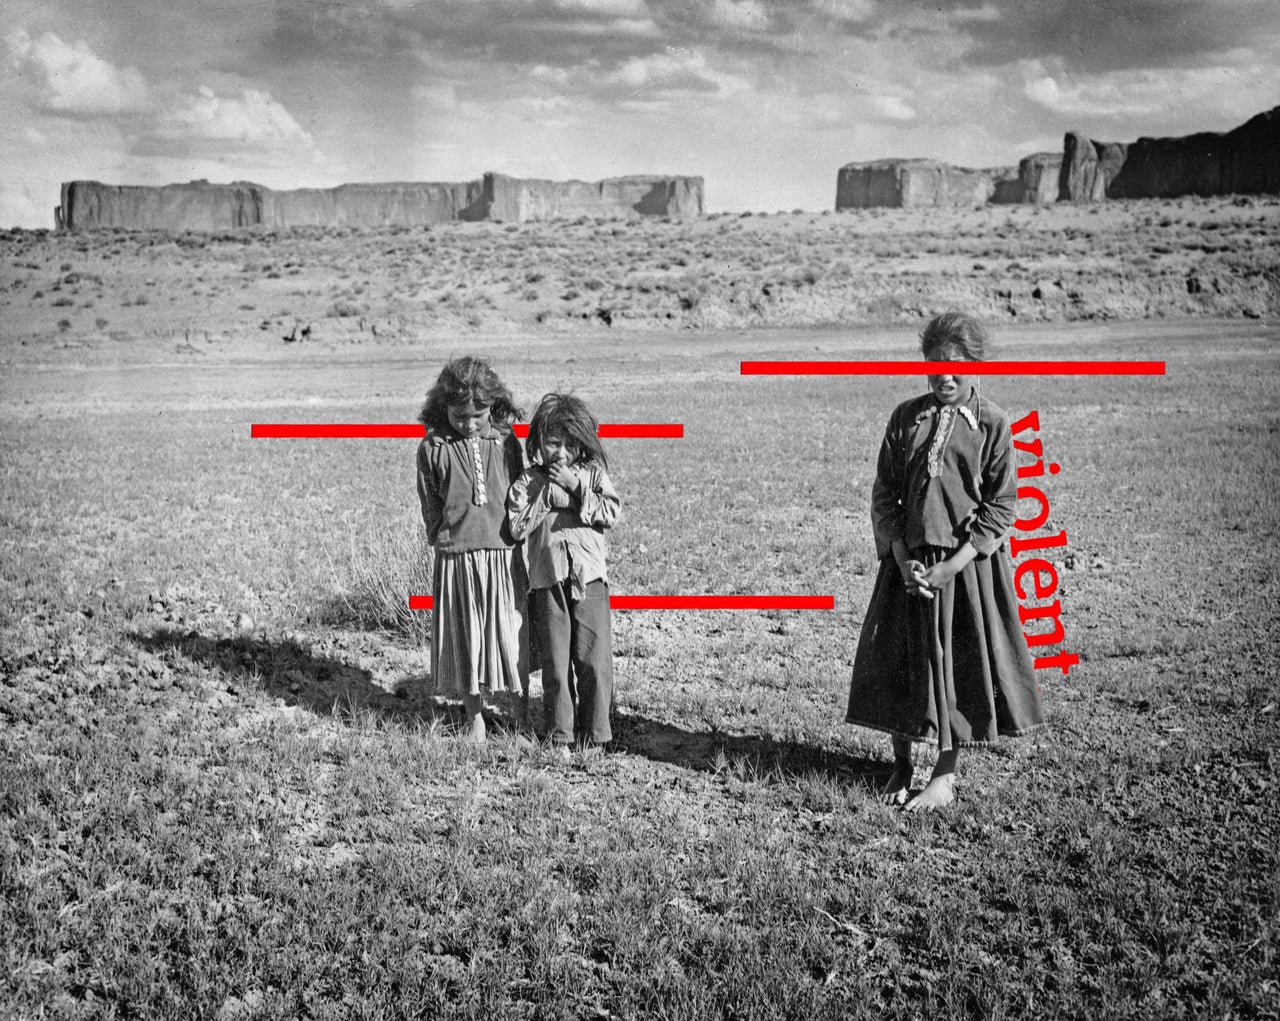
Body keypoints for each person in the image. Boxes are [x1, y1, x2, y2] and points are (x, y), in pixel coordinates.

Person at [846, 312, 1047, 810]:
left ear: (975, 366)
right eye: (935, 364)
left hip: (963, 572)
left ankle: (944, 771)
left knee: (951, 667)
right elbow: (884, 492)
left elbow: (1000, 506)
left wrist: (952, 565)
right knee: (902, 661)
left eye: (955, 366)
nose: (944, 376)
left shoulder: (993, 425)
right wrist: (900, 554)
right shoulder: (905, 418)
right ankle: (901, 764)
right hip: (906, 568)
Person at [416, 356, 530, 743]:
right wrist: (441, 536)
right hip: (457, 559)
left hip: (501, 554)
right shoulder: (433, 447)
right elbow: (430, 499)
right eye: (459, 414)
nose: (468, 423)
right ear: (442, 407)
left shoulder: (507, 442)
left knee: (509, 635)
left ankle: (521, 712)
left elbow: (520, 493)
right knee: (467, 639)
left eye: (478, 414)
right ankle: (475, 718)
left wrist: (515, 536)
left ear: (493, 406)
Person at [506, 392, 621, 757]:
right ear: (539, 439)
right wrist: (545, 495)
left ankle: (596, 735)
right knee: (556, 664)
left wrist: (574, 488)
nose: (560, 452)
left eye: (570, 444)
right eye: (553, 442)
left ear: (582, 442)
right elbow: (516, 527)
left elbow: (612, 512)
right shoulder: (528, 482)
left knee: (593, 659)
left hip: (589, 581)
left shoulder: (592, 474)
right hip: (547, 580)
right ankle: (560, 735)